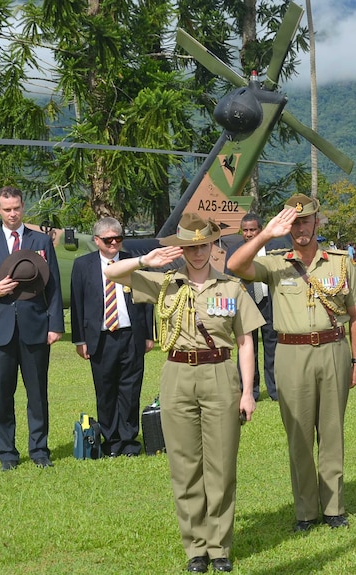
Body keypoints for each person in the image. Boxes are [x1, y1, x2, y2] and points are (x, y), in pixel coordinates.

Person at [105, 213, 263, 573]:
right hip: (177, 374)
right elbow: (111, 273)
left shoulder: (231, 288)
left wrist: (247, 392)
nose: (196, 253)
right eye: (190, 247)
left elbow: (245, 342)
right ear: (181, 248)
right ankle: (195, 548)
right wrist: (146, 259)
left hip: (220, 374)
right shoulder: (164, 284)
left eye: (203, 246)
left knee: (221, 466)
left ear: (213, 246)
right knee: (184, 465)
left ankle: (219, 546)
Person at [227, 194, 356, 532]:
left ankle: (334, 508)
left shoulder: (341, 262)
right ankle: (305, 511)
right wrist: (266, 235)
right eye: (294, 223)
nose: (300, 229)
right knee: (299, 436)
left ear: (317, 222)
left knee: (332, 432)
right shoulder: (276, 262)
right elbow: (234, 266)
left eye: (305, 221)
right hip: (291, 355)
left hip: (334, 350)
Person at [0, 186, 64, 471]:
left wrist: (55, 325)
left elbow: (53, 286)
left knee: (37, 393)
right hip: (0, 329)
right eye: (7, 209)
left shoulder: (40, 240)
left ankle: (40, 450)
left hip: (35, 328)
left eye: (17, 208)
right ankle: (7, 454)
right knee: (3, 394)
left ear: (23, 206)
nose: (13, 213)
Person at [70, 217, 154, 457]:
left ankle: (129, 441)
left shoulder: (133, 262)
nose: (114, 243)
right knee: (106, 390)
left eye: (118, 238)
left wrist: (149, 334)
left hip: (131, 334)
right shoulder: (83, 265)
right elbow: (77, 304)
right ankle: (112, 441)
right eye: (108, 240)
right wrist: (80, 340)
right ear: (97, 240)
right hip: (101, 337)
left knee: (130, 390)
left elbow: (147, 300)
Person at [225, 213, 290, 402]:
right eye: (245, 230)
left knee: (273, 347)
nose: (249, 234)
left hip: (269, 302)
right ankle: (249, 389)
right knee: (247, 347)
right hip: (245, 305)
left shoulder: (273, 248)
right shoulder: (234, 251)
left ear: (260, 229)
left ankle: (275, 389)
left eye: (252, 229)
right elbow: (228, 277)